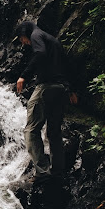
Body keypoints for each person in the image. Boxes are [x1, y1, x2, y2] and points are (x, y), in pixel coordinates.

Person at [14, 21, 78, 186]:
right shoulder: (53, 40)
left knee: (31, 130)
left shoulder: (36, 35)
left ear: (24, 33)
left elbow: (40, 53)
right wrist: (71, 90)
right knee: (54, 132)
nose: (23, 42)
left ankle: (42, 172)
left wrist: (23, 76)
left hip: (46, 87)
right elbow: (67, 67)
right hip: (61, 89)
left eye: (21, 38)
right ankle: (57, 171)